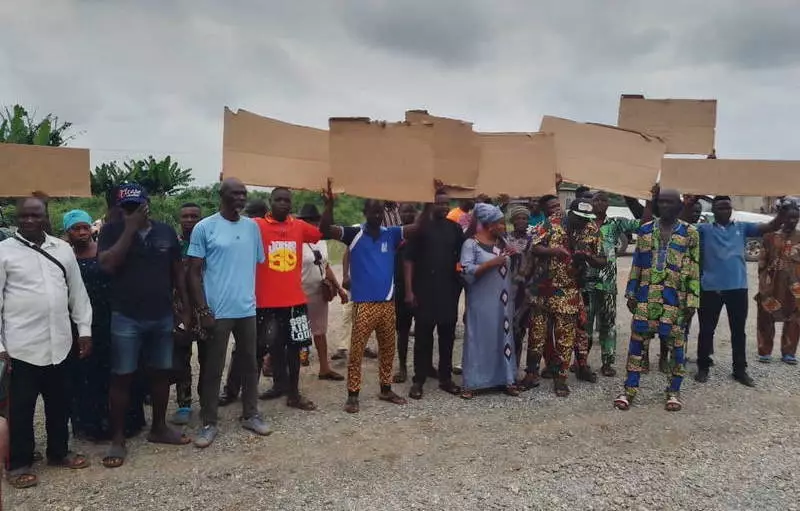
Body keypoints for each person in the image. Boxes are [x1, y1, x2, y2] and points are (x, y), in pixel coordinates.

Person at [98, 183, 192, 467]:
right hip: (126, 316)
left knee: (162, 372)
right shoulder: (111, 232)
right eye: (125, 207)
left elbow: (178, 272)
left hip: (161, 314)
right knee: (122, 376)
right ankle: (118, 439)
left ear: (146, 204)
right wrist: (129, 228)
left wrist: (185, 308)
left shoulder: (164, 231)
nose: (131, 212)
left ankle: (159, 428)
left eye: (136, 207)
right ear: (118, 208)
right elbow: (107, 265)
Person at [1, 197, 92, 488]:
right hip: (21, 347)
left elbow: (77, 293)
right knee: (21, 409)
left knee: (60, 403)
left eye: (35, 215)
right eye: (24, 216)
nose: (29, 220)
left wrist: (85, 330)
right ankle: (19, 463)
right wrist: (0, 349)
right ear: (17, 219)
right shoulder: (3, 252)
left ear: (46, 218)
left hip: (61, 343)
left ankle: (58, 452)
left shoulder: (62, 249)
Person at [319, 184, 429, 413]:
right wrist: (329, 203)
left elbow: (418, 228)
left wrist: (427, 200)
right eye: (373, 212)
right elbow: (326, 229)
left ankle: (386, 388)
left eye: (380, 212)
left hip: (387, 303)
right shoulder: (354, 233)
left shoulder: (392, 233)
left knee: (388, 348)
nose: (377, 215)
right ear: (365, 213)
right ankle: (353, 394)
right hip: (364, 304)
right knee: (357, 351)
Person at [187, 178, 271, 447]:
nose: (241, 198)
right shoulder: (205, 228)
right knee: (213, 368)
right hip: (217, 311)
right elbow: (193, 272)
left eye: (243, 194)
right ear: (222, 196)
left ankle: (251, 414)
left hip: (246, 308)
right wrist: (203, 309)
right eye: (235, 193)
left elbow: (256, 263)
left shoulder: (252, 228)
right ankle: (209, 422)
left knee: (249, 364)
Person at [613, 189, 699, 412]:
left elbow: (694, 268)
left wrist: (692, 300)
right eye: (661, 202)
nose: (665, 206)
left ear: (679, 206)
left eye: (670, 202)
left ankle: (673, 392)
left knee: (677, 349)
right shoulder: (645, 230)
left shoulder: (690, 232)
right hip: (645, 298)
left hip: (675, 300)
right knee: (636, 346)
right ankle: (629, 390)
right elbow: (638, 264)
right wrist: (631, 292)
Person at [64, 210, 145, 441]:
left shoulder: (105, 251)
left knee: (118, 371)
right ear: (67, 232)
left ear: (91, 228)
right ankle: (91, 426)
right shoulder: (65, 256)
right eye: (75, 228)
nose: (81, 232)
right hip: (80, 324)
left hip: (111, 317)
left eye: (84, 227)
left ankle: (126, 424)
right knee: (86, 374)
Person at [690, 195, 784, 387]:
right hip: (710, 288)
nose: (725, 211)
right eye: (721, 208)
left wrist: (782, 209)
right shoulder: (704, 230)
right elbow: (681, 227)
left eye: (728, 207)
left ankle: (739, 370)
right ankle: (703, 366)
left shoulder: (742, 227)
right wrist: (690, 201)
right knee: (707, 330)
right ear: (713, 211)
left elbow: (772, 226)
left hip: (737, 288)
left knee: (738, 332)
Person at [521, 199, 603, 396]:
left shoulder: (592, 229)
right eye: (580, 218)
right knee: (537, 335)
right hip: (543, 291)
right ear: (570, 213)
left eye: (587, 218)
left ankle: (561, 379)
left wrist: (588, 258)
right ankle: (531, 374)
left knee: (565, 338)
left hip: (569, 292)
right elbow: (534, 247)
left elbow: (603, 260)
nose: (584, 222)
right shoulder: (551, 223)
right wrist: (553, 251)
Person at [255, 187, 319, 411]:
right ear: (270, 201)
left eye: (287, 200)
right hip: (266, 303)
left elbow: (322, 233)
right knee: (271, 348)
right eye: (278, 199)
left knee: (294, 350)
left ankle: (294, 393)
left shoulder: (299, 226)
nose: (283, 203)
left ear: (292, 204)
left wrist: (329, 204)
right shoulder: (257, 226)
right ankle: (278, 386)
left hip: (294, 302)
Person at [405, 191, 465, 399]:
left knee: (447, 336)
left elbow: (465, 253)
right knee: (422, 337)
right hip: (424, 290)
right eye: (440, 203)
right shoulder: (421, 229)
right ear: (431, 205)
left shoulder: (455, 229)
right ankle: (418, 380)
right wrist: (409, 290)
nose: (444, 207)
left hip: (448, 290)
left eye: (447, 203)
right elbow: (409, 260)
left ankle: (445, 378)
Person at [459, 203, 518, 399]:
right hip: (481, 301)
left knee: (502, 338)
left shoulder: (503, 242)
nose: (503, 226)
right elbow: (465, 271)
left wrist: (513, 254)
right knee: (479, 339)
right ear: (489, 224)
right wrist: (491, 263)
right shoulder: (471, 244)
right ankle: (473, 383)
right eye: (500, 223)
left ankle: (506, 379)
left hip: (503, 302)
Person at [586, 190, 646, 376]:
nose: (600, 203)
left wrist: (649, 202)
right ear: (590, 203)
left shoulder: (615, 223)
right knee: (584, 325)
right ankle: (581, 361)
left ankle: (607, 362)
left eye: (604, 200)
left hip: (608, 285)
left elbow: (643, 224)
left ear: (608, 204)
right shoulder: (582, 224)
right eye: (596, 200)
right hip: (585, 285)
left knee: (608, 325)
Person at [297, 203, 348, 381]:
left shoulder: (322, 241)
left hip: (319, 291)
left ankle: (324, 368)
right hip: (299, 293)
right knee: (297, 332)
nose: (312, 224)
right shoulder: (296, 242)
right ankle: (273, 363)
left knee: (320, 332)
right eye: (308, 221)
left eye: (314, 221)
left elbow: (325, 266)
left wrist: (339, 288)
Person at [170, 203, 209, 426]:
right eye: (185, 216)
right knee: (181, 358)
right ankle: (184, 404)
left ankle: (206, 401)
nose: (190, 220)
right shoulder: (172, 244)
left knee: (207, 357)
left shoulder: (208, 242)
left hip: (205, 306)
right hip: (179, 309)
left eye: (195, 216)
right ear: (179, 219)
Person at [756, 199, 800, 364]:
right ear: (782, 218)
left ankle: (789, 352)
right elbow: (762, 263)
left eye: (796, 218)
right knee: (766, 316)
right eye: (789, 217)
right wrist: (763, 285)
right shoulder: (770, 237)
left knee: (795, 319)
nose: (792, 221)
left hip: (795, 287)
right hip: (772, 285)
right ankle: (765, 351)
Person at [505, 204, 535, 374]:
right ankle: (502, 367)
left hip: (524, 292)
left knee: (519, 330)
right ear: (513, 221)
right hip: (506, 289)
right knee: (503, 328)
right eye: (518, 218)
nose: (522, 221)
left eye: (525, 218)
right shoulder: (505, 238)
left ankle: (513, 369)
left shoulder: (533, 240)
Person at [393, 203, 419, 384]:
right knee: (402, 330)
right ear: (399, 213)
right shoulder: (393, 235)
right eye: (405, 210)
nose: (408, 213)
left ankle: (423, 366)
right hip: (401, 288)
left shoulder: (422, 235)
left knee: (424, 330)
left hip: (422, 287)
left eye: (411, 210)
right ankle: (402, 366)